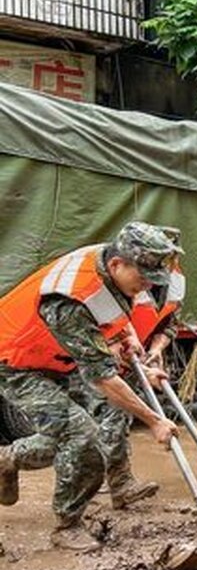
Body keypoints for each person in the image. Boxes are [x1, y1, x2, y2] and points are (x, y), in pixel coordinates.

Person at [0, 222, 180, 551]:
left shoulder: (110, 265)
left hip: (56, 355)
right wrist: (154, 420)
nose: (145, 288)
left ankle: (8, 459)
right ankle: (67, 525)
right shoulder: (69, 296)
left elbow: (105, 320)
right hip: (14, 360)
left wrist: (126, 341)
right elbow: (102, 375)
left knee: (102, 417)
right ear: (117, 265)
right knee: (81, 434)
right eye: (142, 278)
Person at [66, 224, 187, 513]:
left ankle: (121, 485)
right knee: (95, 424)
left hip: (135, 353)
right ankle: (79, 494)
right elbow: (99, 322)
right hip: (101, 350)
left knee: (118, 418)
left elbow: (171, 323)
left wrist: (154, 352)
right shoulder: (117, 277)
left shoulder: (176, 280)